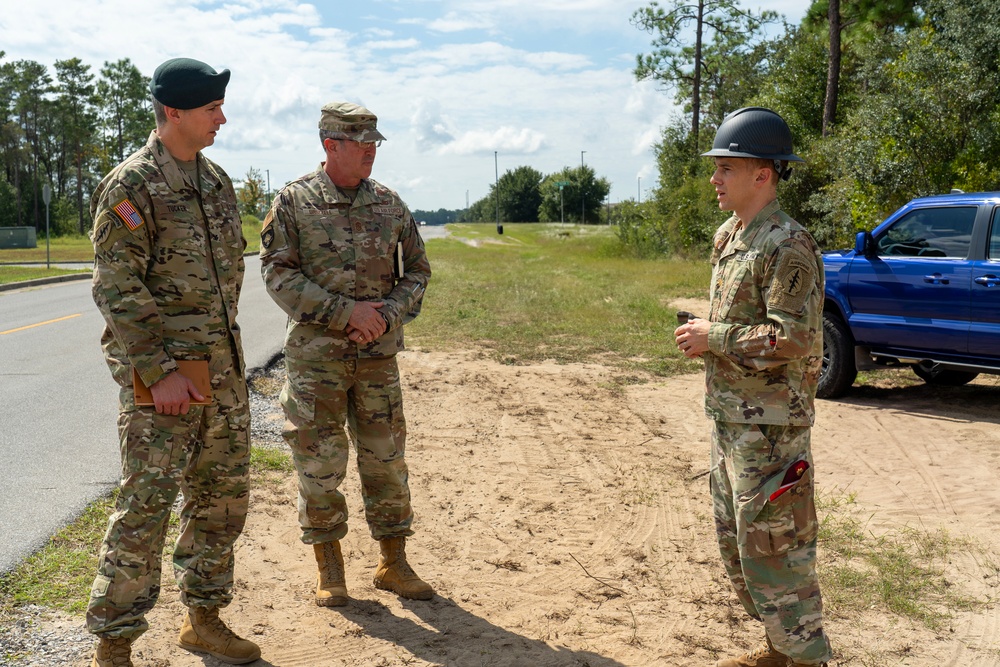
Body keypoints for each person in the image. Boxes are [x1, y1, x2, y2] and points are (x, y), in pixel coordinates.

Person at [87, 58, 260, 667]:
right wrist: (159, 373)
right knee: (145, 509)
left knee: (221, 502)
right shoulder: (131, 186)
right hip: (162, 385)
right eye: (211, 108)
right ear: (173, 112)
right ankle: (113, 645)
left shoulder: (215, 182)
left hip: (221, 377)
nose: (221, 117)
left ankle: (204, 621)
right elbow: (117, 287)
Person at [673, 107, 833, 667]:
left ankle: (806, 656)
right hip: (732, 420)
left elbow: (794, 339)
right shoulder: (731, 234)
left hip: (771, 429)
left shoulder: (788, 246)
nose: (714, 178)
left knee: (776, 550)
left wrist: (714, 335)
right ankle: (779, 649)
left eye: (725, 168)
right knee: (739, 546)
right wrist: (714, 336)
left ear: (762, 174)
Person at [259, 101, 433, 607]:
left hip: (378, 360)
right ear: (330, 145)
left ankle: (393, 562)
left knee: (386, 460)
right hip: (317, 363)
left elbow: (418, 271)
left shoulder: (389, 204)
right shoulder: (294, 202)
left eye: (375, 144)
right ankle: (330, 569)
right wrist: (345, 313)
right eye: (362, 144)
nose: (371, 153)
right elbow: (277, 275)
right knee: (320, 463)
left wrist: (387, 314)